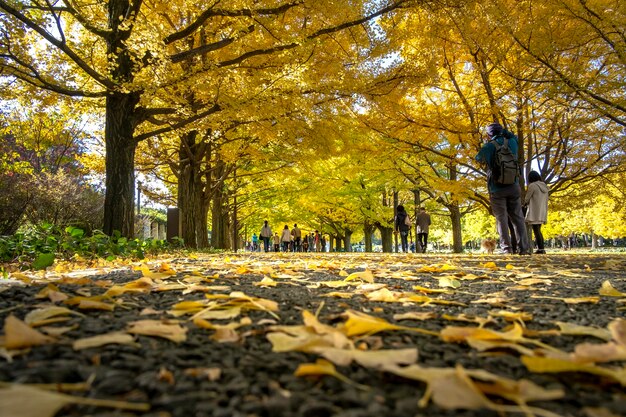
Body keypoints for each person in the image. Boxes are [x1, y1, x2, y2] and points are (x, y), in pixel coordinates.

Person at [475, 122, 530, 255]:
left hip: (496, 187)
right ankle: (524, 248)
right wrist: (506, 133)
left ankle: (507, 249)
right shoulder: (512, 142)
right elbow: (515, 137)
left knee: (502, 218)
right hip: (514, 185)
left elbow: (478, 158)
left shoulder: (489, 146)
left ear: (489, 135)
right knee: (518, 217)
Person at [524, 171, 549, 254]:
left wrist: (524, 203)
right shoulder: (545, 186)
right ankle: (541, 248)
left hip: (534, 210)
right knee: (538, 230)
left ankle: (541, 249)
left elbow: (527, 198)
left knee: (536, 230)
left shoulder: (532, 186)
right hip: (542, 211)